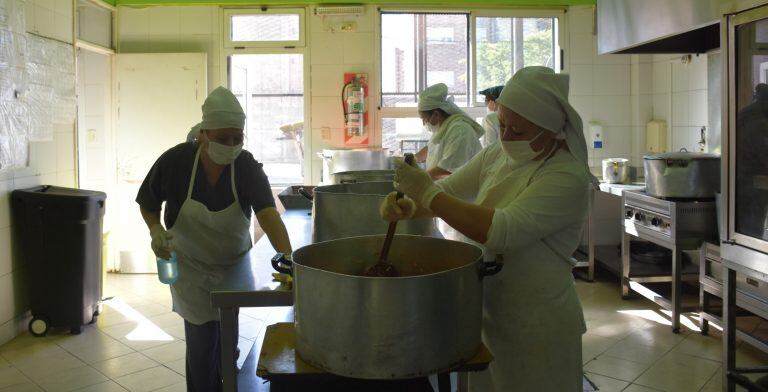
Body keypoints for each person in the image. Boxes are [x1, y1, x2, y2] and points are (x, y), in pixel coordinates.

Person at [381, 67, 595, 391]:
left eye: (517, 130)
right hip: (489, 308)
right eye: (503, 124)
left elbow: (502, 230)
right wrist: (411, 207)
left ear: (551, 129)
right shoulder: (499, 153)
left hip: (537, 321)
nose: (506, 136)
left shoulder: (566, 176)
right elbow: (449, 191)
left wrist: (425, 191)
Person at [136, 86, 292, 392]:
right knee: (201, 342)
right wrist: (155, 230)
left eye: (237, 138)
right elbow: (148, 201)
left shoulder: (245, 166)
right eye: (223, 138)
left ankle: (226, 382)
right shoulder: (176, 161)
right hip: (191, 267)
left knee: (226, 339)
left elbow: (268, 214)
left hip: (233, 267)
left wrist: (290, 257)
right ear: (205, 133)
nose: (231, 145)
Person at [413, 83, 484, 179]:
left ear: (436, 114)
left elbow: (447, 170)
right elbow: (432, 148)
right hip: (443, 189)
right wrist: (415, 158)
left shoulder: (460, 131)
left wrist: (419, 178)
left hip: (458, 192)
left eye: (425, 119)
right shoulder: (443, 128)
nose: (424, 124)